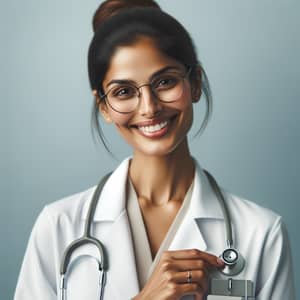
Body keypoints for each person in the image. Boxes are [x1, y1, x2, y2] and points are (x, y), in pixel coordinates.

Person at [15, 0, 295, 299]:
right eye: (123, 92)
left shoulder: (261, 232)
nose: (149, 108)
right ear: (104, 107)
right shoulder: (58, 226)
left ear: (195, 83)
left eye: (165, 82)